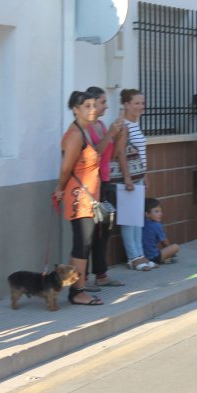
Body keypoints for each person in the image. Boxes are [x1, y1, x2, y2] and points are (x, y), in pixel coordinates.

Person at [54, 91, 103, 306]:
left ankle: (78, 287)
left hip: (87, 197)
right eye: (87, 106)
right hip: (79, 197)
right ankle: (77, 291)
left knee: (85, 242)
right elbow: (66, 168)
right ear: (75, 109)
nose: (92, 110)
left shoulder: (85, 131)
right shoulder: (75, 135)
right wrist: (59, 188)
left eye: (94, 105)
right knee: (81, 244)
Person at [83, 86, 125, 289]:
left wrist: (119, 134)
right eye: (103, 102)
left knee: (104, 231)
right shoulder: (88, 128)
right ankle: (83, 279)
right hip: (93, 185)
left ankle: (101, 274)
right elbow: (95, 154)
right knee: (90, 233)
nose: (106, 106)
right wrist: (110, 134)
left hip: (106, 182)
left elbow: (113, 154)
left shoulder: (100, 125)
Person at [116, 89, 157, 271]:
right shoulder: (123, 125)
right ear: (126, 104)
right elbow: (121, 153)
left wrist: (145, 174)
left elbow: (139, 153)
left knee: (137, 218)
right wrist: (127, 177)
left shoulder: (134, 123)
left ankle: (140, 255)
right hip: (129, 179)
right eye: (136, 103)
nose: (140, 106)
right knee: (129, 218)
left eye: (142, 103)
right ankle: (133, 257)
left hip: (138, 176)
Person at [142, 198, 180, 264]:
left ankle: (164, 259)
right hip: (154, 257)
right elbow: (165, 243)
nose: (160, 214)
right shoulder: (157, 225)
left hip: (142, 258)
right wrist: (170, 253)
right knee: (175, 247)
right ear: (147, 214)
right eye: (156, 211)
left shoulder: (142, 223)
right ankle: (163, 259)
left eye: (160, 211)